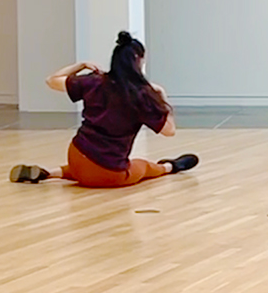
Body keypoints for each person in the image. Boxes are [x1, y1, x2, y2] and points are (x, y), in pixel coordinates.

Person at [10, 31, 199, 188]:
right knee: (143, 167)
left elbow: (51, 80)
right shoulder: (142, 96)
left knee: (85, 168)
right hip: (109, 171)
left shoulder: (94, 81)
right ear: (139, 61)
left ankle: (49, 173)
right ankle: (170, 166)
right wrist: (162, 98)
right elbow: (169, 131)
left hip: (77, 155)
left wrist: (80, 65)